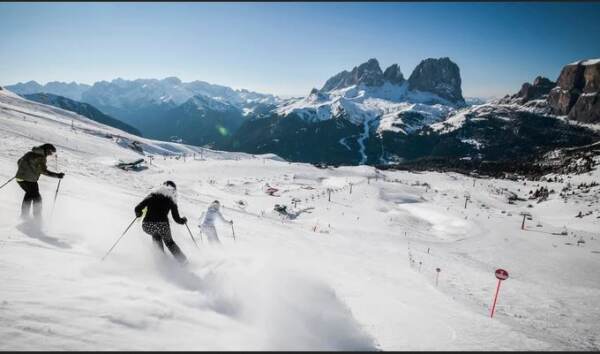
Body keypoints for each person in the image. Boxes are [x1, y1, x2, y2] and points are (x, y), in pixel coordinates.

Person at [134, 181, 188, 264]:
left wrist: (139, 213)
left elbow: (137, 208)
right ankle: (184, 262)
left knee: (156, 235)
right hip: (162, 226)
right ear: (173, 190)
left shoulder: (152, 195)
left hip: (147, 226)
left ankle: (161, 261)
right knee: (169, 243)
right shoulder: (171, 200)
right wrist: (183, 220)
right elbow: (176, 219)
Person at [15, 143, 65, 220]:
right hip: (29, 180)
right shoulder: (41, 157)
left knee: (30, 194)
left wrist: (23, 170)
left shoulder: (30, 153)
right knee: (37, 198)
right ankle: (37, 219)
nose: (50, 155)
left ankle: (24, 216)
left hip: (20, 179)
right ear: (47, 150)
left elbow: (19, 162)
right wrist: (57, 175)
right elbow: (43, 171)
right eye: (50, 153)